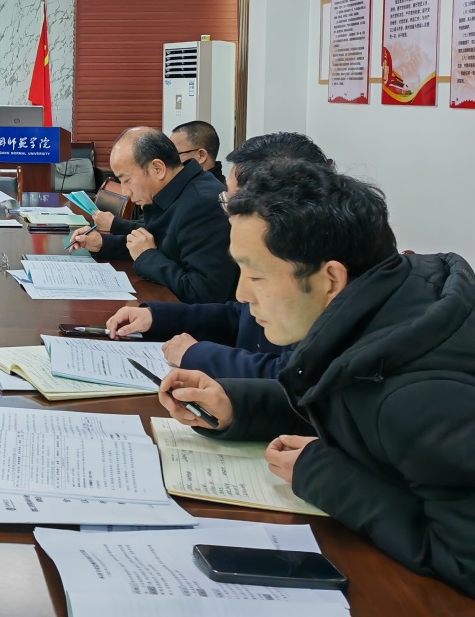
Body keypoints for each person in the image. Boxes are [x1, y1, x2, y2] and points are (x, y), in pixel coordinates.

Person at [157, 160, 475, 597]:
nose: (242, 294)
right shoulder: (390, 299)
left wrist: (322, 475)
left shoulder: (422, 397)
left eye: (256, 276)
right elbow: (349, 402)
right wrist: (239, 405)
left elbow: (463, 559)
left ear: (330, 279)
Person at [105, 132, 329, 379]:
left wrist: (198, 355)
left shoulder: (313, 265)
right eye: (226, 200)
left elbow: (292, 377)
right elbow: (240, 315)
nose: (227, 214)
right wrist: (157, 317)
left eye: (233, 202)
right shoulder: (279, 249)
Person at [70, 127, 234, 304]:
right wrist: (102, 243)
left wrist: (147, 257)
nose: (125, 192)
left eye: (127, 180)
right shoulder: (175, 190)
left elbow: (203, 293)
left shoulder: (202, 204)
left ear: (157, 168)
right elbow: (156, 242)